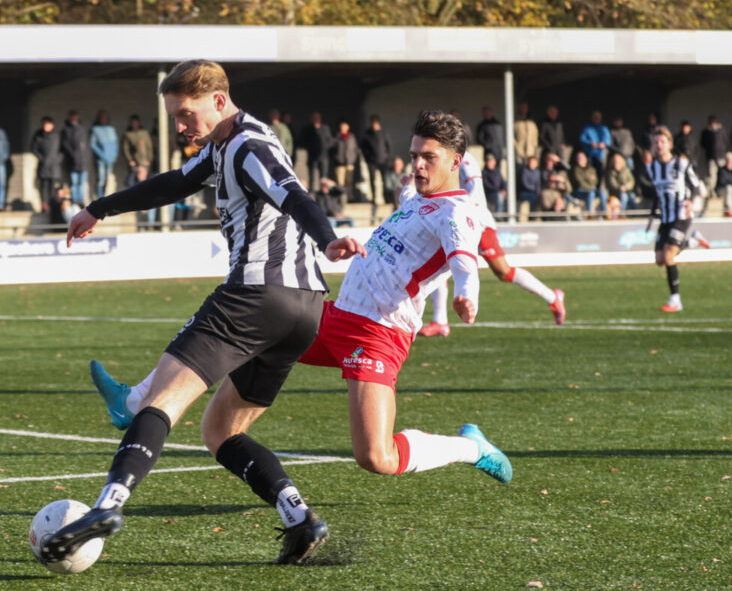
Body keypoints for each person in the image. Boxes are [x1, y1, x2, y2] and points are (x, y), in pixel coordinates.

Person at [89, 111, 511, 522]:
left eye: (428, 158)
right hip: (336, 316)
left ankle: (470, 447)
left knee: (375, 456)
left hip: (378, 334)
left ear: (456, 162)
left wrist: (466, 294)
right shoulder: (419, 197)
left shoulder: (459, 212)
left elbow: (463, 261)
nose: (417, 165)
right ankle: (135, 399)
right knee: (253, 322)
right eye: (415, 154)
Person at [42, 60, 365, 567]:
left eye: (185, 114)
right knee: (220, 433)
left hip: (255, 295)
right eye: (175, 116)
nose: (180, 126)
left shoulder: (249, 145)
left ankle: (108, 506)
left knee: (163, 401)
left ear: (218, 100)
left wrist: (328, 239)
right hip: (303, 310)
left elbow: (292, 194)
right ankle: (299, 517)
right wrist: (99, 208)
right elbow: (172, 184)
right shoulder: (220, 147)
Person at [418, 148, 565, 338]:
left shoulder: (465, 160)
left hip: (477, 223)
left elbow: (475, 191)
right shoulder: (437, 158)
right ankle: (440, 321)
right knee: (437, 263)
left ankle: (553, 297)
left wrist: (462, 212)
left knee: (504, 272)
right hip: (451, 222)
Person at [645, 126, 704, 312]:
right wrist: (652, 214)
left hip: (681, 215)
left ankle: (675, 300)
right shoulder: (652, 168)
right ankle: (693, 241)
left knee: (669, 255)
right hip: (665, 217)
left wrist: (691, 201)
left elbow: (696, 185)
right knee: (659, 259)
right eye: (656, 142)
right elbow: (657, 193)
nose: (659, 145)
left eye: (662, 142)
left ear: (669, 144)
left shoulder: (681, 164)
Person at [360, 114, 393, 216]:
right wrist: (367, 159)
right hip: (372, 162)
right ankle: (374, 198)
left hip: (383, 161)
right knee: (372, 180)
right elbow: (363, 148)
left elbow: (389, 147)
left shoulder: (383, 133)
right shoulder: (367, 134)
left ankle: (386, 198)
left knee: (385, 180)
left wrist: (388, 159)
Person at [30, 116, 62, 210]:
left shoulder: (57, 136)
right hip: (43, 165)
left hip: (54, 166)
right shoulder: (38, 135)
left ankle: (53, 205)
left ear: (52, 125)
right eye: (44, 124)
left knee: (53, 186)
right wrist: (42, 159)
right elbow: (34, 148)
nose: (45, 126)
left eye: (47, 124)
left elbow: (62, 150)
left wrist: (58, 159)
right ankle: (45, 205)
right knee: (43, 186)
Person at [298, 111, 333, 192]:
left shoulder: (325, 128)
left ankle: (324, 193)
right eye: (314, 118)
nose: (316, 119)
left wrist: (324, 147)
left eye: (317, 118)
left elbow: (330, 140)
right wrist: (310, 147)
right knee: (312, 176)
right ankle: (312, 192)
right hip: (312, 156)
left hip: (324, 156)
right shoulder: (307, 129)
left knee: (324, 178)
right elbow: (302, 141)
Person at [61, 110, 90, 205]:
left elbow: (86, 147)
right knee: (74, 183)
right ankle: (75, 200)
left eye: (75, 116)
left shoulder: (82, 129)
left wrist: (86, 159)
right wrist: (73, 155)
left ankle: (81, 201)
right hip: (72, 162)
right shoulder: (66, 130)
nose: (74, 118)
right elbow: (65, 145)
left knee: (82, 183)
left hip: (83, 162)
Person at [90, 109, 119, 199]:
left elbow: (115, 143)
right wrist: (102, 155)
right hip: (101, 159)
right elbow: (93, 144)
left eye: (105, 118)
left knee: (108, 179)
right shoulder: (95, 129)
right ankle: (100, 197)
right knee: (101, 178)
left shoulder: (111, 129)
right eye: (102, 118)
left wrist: (114, 155)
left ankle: (107, 196)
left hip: (111, 158)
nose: (103, 119)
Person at [579, 110, 611, 186]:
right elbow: (582, 139)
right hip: (590, 155)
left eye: (598, 118)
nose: (597, 119)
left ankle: (599, 188)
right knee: (590, 173)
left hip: (600, 155)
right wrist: (590, 143)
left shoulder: (603, 128)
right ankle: (591, 187)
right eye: (595, 117)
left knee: (601, 173)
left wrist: (603, 144)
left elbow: (608, 141)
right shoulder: (587, 128)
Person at [570, 151, 605, 217]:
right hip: (580, 191)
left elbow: (595, 181)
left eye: (581, 158)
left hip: (592, 189)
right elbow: (581, 183)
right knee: (591, 193)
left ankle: (604, 213)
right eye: (578, 158)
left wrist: (589, 181)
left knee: (602, 193)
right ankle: (590, 214)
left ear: (586, 159)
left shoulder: (591, 169)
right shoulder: (576, 170)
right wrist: (590, 180)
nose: (580, 159)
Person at [121, 114, 153, 187]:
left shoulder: (144, 133)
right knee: (132, 182)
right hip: (135, 163)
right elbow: (125, 149)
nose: (134, 124)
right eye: (132, 123)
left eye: (135, 122)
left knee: (145, 182)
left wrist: (149, 159)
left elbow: (149, 147)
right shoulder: (128, 134)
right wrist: (130, 160)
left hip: (144, 162)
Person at [332, 119, 359, 201]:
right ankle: (341, 198)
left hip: (349, 162)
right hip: (339, 163)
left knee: (349, 181)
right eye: (342, 126)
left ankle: (349, 197)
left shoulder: (351, 137)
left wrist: (353, 159)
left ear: (348, 127)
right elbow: (333, 149)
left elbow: (355, 149)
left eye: (344, 126)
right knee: (340, 182)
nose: (343, 128)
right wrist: (336, 158)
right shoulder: (337, 137)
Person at [699, 115, 727, 196]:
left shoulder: (722, 130)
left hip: (721, 155)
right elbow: (703, 143)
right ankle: (712, 191)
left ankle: (721, 190)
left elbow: (726, 141)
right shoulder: (706, 132)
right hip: (711, 156)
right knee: (711, 174)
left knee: (722, 174)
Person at [605, 152, 636, 216]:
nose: (616, 163)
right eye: (615, 162)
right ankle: (622, 214)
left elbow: (631, 181)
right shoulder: (611, 172)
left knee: (632, 196)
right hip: (616, 192)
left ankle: (634, 213)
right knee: (623, 196)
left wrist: (626, 187)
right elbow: (612, 183)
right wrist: (620, 187)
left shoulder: (626, 170)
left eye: (618, 162)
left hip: (627, 190)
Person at [717, 151, 732, 217]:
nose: (729, 162)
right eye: (728, 160)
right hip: (721, 189)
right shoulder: (722, 170)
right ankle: (727, 210)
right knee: (729, 188)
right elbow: (722, 181)